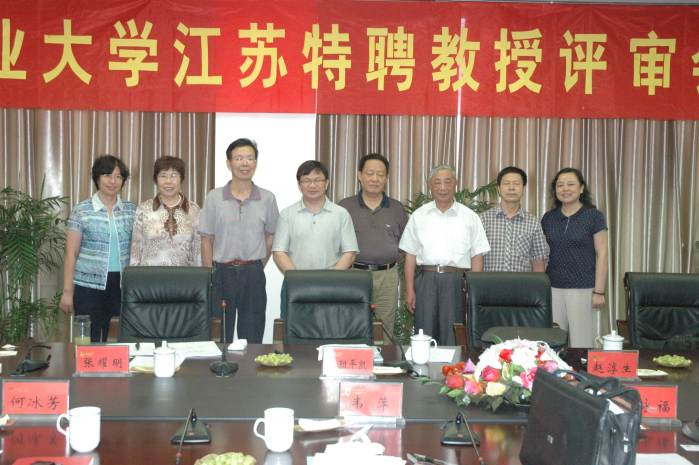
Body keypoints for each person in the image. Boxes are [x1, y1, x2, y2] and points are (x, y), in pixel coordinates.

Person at [399, 165, 490, 345]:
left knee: (453, 334)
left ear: (455, 184)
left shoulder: (470, 217)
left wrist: (473, 290)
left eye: (447, 182)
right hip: (426, 280)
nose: (442, 187)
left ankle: (453, 363)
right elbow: (410, 255)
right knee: (424, 332)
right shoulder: (419, 215)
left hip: (457, 282)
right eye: (437, 182)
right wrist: (409, 290)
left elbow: (477, 256)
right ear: (430, 186)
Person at [199, 139, 279, 343]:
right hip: (220, 274)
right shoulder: (214, 197)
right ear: (229, 163)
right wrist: (210, 275)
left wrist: (256, 264)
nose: (245, 163)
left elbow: (271, 236)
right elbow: (207, 238)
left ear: (255, 163)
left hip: (253, 274)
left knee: (252, 335)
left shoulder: (267, 198)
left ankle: (250, 366)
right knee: (218, 335)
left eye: (250, 158)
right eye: (239, 158)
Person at [59, 155, 136, 342]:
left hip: (122, 285)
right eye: (107, 175)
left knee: (119, 339)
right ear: (97, 178)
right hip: (87, 285)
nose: (113, 181)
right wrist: (67, 292)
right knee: (89, 340)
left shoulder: (131, 210)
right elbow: (71, 253)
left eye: (118, 177)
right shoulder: (81, 210)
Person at [339, 153, 408, 338]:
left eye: (380, 174)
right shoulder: (344, 207)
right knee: (353, 324)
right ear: (359, 175)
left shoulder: (396, 208)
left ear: (386, 178)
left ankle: (383, 358)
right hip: (354, 274)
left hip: (387, 276)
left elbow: (406, 245)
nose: (375, 179)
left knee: (385, 327)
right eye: (370, 173)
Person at [541, 167, 608, 348]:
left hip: (583, 288)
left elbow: (602, 254)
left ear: (581, 188)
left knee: (581, 343)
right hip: (553, 287)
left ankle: (581, 369)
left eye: (570, 184)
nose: (565, 189)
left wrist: (599, 291)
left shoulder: (594, 216)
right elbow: (542, 254)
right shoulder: (548, 218)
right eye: (560, 185)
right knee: (552, 343)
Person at [272, 160, 358, 274]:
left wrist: (332, 278)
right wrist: (296, 279)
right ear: (299, 185)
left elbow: (350, 253)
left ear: (326, 183)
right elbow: (279, 253)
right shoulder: (287, 214)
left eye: (317, 180)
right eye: (306, 180)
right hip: (296, 281)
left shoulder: (341, 214)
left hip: (333, 280)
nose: (312, 185)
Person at [130, 156, 201, 266]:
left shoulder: (193, 210)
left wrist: (200, 275)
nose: (168, 181)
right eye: (163, 176)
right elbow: (136, 250)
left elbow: (198, 250)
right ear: (156, 179)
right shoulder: (144, 209)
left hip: (185, 275)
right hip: (149, 275)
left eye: (174, 175)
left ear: (181, 179)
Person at [480, 166, 549, 272]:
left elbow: (538, 261)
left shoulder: (533, 223)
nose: (511, 188)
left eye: (516, 184)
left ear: (523, 189)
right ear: (499, 189)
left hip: (522, 282)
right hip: (488, 282)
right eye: (506, 183)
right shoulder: (483, 219)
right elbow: (476, 257)